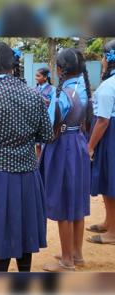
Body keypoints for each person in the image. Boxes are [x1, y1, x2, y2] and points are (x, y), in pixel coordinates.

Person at [0, 42, 53, 272]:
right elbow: (46, 134)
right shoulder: (34, 95)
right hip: (27, 175)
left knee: (0, 231)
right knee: (24, 230)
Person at [40, 48, 93, 271]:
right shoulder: (83, 89)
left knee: (63, 203)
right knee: (77, 202)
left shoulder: (62, 95)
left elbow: (49, 126)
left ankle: (67, 261)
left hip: (63, 148)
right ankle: (76, 254)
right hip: (79, 145)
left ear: (60, 69)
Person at [87, 39, 115, 245]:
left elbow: (103, 120)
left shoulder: (108, 86)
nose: (103, 61)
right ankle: (109, 222)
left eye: (104, 57)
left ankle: (113, 232)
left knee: (110, 182)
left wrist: (90, 146)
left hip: (110, 137)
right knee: (109, 182)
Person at [34, 67, 57, 159]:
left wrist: (44, 100)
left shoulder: (52, 89)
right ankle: (39, 163)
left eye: (38, 76)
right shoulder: (34, 88)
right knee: (37, 144)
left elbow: (53, 105)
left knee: (45, 144)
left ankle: (45, 162)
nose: (36, 78)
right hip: (36, 120)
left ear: (45, 77)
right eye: (36, 76)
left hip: (46, 120)